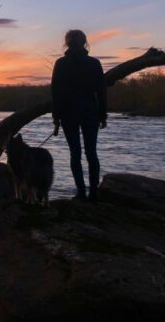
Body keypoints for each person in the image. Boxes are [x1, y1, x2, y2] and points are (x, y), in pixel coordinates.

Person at [51, 29, 107, 201]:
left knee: (75, 154)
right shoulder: (94, 63)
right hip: (90, 112)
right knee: (92, 153)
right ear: (84, 43)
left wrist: (56, 118)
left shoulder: (61, 63)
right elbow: (101, 91)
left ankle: (81, 192)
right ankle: (94, 192)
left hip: (68, 113)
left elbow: (56, 92)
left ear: (66, 43)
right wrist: (102, 114)